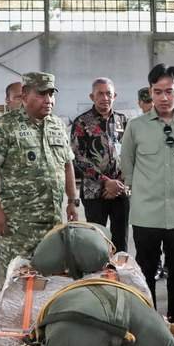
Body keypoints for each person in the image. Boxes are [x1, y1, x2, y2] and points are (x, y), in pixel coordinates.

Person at [0, 72, 78, 287]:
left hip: (52, 221)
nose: (48, 100)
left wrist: (72, 200)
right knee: (15, 282)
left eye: (51, 94)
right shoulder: (3, 127)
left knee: (50, 279)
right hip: (19, 225)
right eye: (42, 94)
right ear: (24, 96)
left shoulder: (57, 125)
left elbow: (67, 164)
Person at [121, 64, 174, 323]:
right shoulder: (136, 127)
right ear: (150, 92)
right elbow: (127, 164)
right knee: (145, 269)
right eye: (158, 92)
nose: (164, 98)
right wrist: (141, 191)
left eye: (169, 91)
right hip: (146, 214)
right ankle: (149, 321)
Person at [70, 77, 129, 253]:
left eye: (108, 94)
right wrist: (105, 181)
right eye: (100, 94)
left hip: (120, 191)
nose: (105, 98)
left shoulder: (123, 120)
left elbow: (130, 154)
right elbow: (78, 157)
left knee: (121, 242)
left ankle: (119, 270)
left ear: (115, 96)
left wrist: (118, 183)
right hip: (94, 192)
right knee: (96, 242)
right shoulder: (82, 122)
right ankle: (98, 270)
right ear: (92, 97)